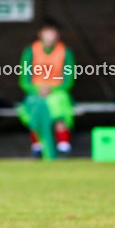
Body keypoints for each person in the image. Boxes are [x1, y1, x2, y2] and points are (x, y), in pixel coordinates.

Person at [18, 19, 75, 159]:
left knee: (58, 109)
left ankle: (63, 147)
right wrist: (36, 89)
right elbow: (24, 80)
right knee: (34, 108)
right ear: (40, 34)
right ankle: (38, 147)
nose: (50, 36)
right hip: (35, 92)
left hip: (57, 91)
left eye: (53, 32)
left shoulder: (65, 52)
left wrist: (53, 89)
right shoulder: (30, 51)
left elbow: (69, 80)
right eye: (47, 32)